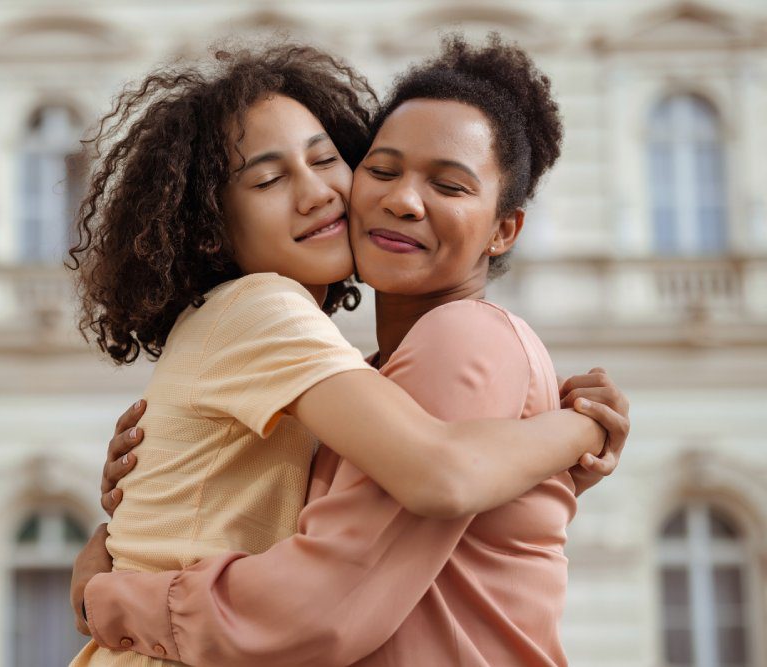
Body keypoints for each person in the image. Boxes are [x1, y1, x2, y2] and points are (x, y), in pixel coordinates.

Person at [71, 35, 629, 667]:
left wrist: (107, 592)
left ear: (505, 229)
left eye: (325, 159)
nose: (322, 195)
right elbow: (439, 478)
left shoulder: (455, 337)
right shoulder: (270, 314)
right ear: (208, 226)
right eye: (384, 170)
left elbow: (366, 562)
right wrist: (580, 431)